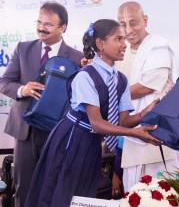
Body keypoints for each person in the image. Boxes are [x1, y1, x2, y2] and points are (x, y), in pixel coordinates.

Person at [24, 19, 161, 207]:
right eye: (118, 39)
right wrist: (134, 133)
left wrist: (145, 113)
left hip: (91, 142)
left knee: (84, 194)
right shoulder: (85, 76)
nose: (124, 44)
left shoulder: (120, 79)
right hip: (71, 140)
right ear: (100, 44)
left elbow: (123, 121)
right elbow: (96, 122)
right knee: (62, 193)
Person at [0, 1, 83, 207]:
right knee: (23, 187)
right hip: (25, 132)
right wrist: (23, 90)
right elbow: (4, 83)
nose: (41, 28)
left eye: (48, 24)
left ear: (63, 27)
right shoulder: (23, 48)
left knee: (53, 186)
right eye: (39, 22)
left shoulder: (77, 57)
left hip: (57, 132)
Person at [116, 1, 179, 191]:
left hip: (158, 130)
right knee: (134, 193)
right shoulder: (121, 50)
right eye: (122, 24)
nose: (128, 30)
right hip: (131, 131)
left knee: (159, 194)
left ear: (145, 20)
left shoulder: (158, 45)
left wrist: (108, 92)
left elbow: (146, 87)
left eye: (133, 22)